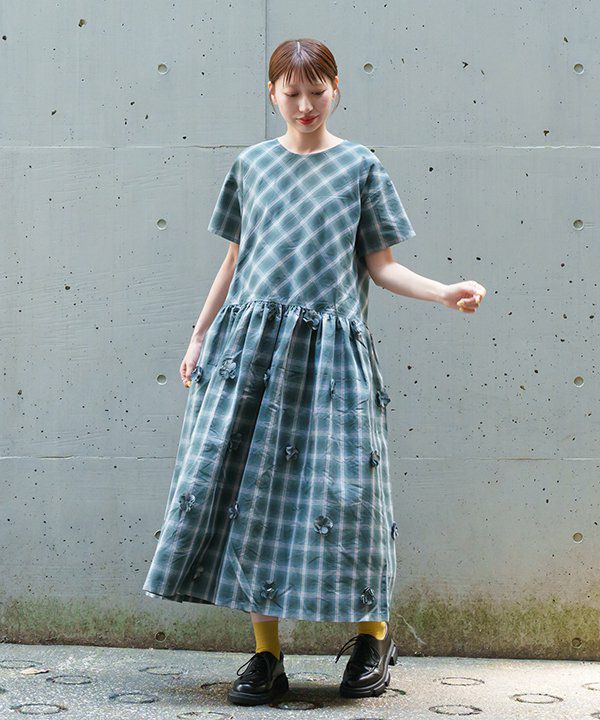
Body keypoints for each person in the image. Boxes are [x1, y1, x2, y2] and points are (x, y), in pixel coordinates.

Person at [143, 37, 486, 706]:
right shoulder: (251, 166)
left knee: (351, 499)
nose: (304, 104)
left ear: (336, 90)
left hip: (330, 358)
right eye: (291, 92)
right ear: (272, 94)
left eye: (316, 91)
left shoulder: (360, 166)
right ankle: (266, 655)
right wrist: (199, 334)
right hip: (250, 354)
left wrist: (444, 291)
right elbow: (235, 260)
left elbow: (381, 266)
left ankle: (371, 639)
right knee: (251, 497)